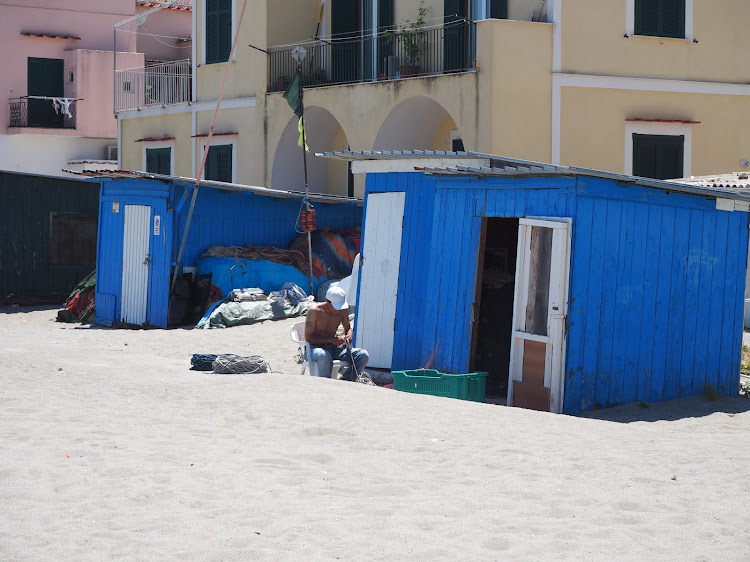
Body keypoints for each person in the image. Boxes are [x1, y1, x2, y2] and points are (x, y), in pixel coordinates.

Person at [305, 286, 369, 381]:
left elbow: (348, 328)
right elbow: (308, 338)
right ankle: (326, 383)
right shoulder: (315, 311)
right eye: (335, 306)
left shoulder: (342, 310)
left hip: (333, 348)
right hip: (314, 349)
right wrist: (331, 339)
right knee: (324, 355)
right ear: (327, 300)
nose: (337, 310)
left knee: (363, 355)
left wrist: (349, 335)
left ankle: (346, 381)